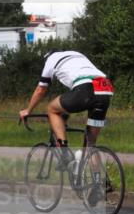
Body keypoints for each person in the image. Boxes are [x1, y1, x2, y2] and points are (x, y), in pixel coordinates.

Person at [19, 50, 114, 202]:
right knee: (90, 145)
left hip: (85, 89)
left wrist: (28, 110)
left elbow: (41, 89)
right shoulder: (77, 54)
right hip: (105, 89)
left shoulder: (50, 60)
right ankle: (99, 184)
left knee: (52, 109)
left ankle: (64, 151)